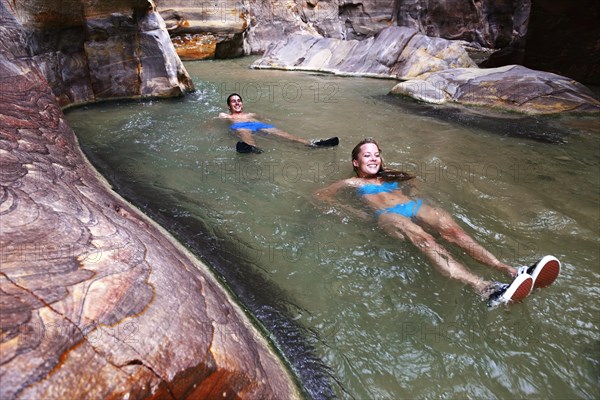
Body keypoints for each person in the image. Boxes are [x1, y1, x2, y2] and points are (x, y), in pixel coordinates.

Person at [314, 138, 561, 307]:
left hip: (410, 205)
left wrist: (415, 193)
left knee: (451, 228)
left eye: (377, 154)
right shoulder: (352, 183)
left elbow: (414, 182)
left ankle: (510, 270)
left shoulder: (391, 175)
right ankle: (485, 288)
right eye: (367, 155)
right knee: (425, 238)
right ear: (356, 162)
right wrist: (352, 213)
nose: (374, 158)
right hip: (388, 215)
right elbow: (320, 196)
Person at [219, 93, 339, 153]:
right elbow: (219, 121)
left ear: (242, 103)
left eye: (239, 101)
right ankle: (252, 149)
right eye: (233, 101)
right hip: (240, 126)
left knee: (283, 134)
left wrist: (267, 122)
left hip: (258, 125)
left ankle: (313, 144)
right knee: (245, 132)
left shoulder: (250, 114)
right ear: (229, 106)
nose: (237, 103)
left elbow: (264, 119)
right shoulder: (225, 115)